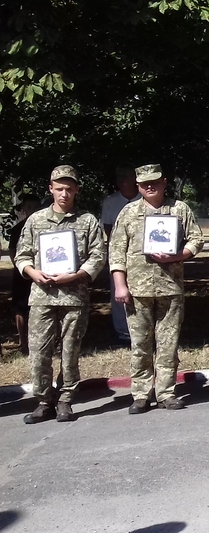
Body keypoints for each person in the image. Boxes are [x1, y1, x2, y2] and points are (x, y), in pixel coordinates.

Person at [14, 165, 106, 424]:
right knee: (39, 352)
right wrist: (32, 272)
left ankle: (66, 400)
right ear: (50, 189)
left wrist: (76, 275)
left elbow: (98, 256)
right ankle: (44, 400)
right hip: (42, 296)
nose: (64, 194)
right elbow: (21, 255)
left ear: (76, 190)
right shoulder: (36, 220)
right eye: (59, 189)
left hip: (74, 298)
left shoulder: (87, 220)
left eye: (69, 189)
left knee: (70, 352)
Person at [110, 164, 204, 413]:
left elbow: (197, 240)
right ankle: (140, 394)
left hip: (169, 288)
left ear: (164, 182)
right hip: (137, 290)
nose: (149, 187)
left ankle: (166, 392)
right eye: (144, 184)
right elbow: (116, 252)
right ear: (138, 186)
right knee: (140, 344)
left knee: (168, 343)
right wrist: (120, 285)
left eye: (154, 182)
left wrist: (177, 255)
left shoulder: (179, 209)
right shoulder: (128, 213)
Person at [101, 167, 139, 344]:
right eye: (121, 178)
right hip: (119, 252)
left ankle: (140, 330)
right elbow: (108, 229)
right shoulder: (110, 202)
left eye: (128, 177)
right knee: (118, 292)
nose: (124, 181)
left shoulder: (144, 198)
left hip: (142, 253)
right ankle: (122, 332)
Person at [7, 195, 40, 356]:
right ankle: (23, 342)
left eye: (35, 206)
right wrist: (22, 269)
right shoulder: (17, 229)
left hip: (41, 274)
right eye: (29, 206)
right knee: (20, 308)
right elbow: (12, 251)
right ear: (24, 209)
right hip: (22, 275)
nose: (32, 210)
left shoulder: (44, 227)